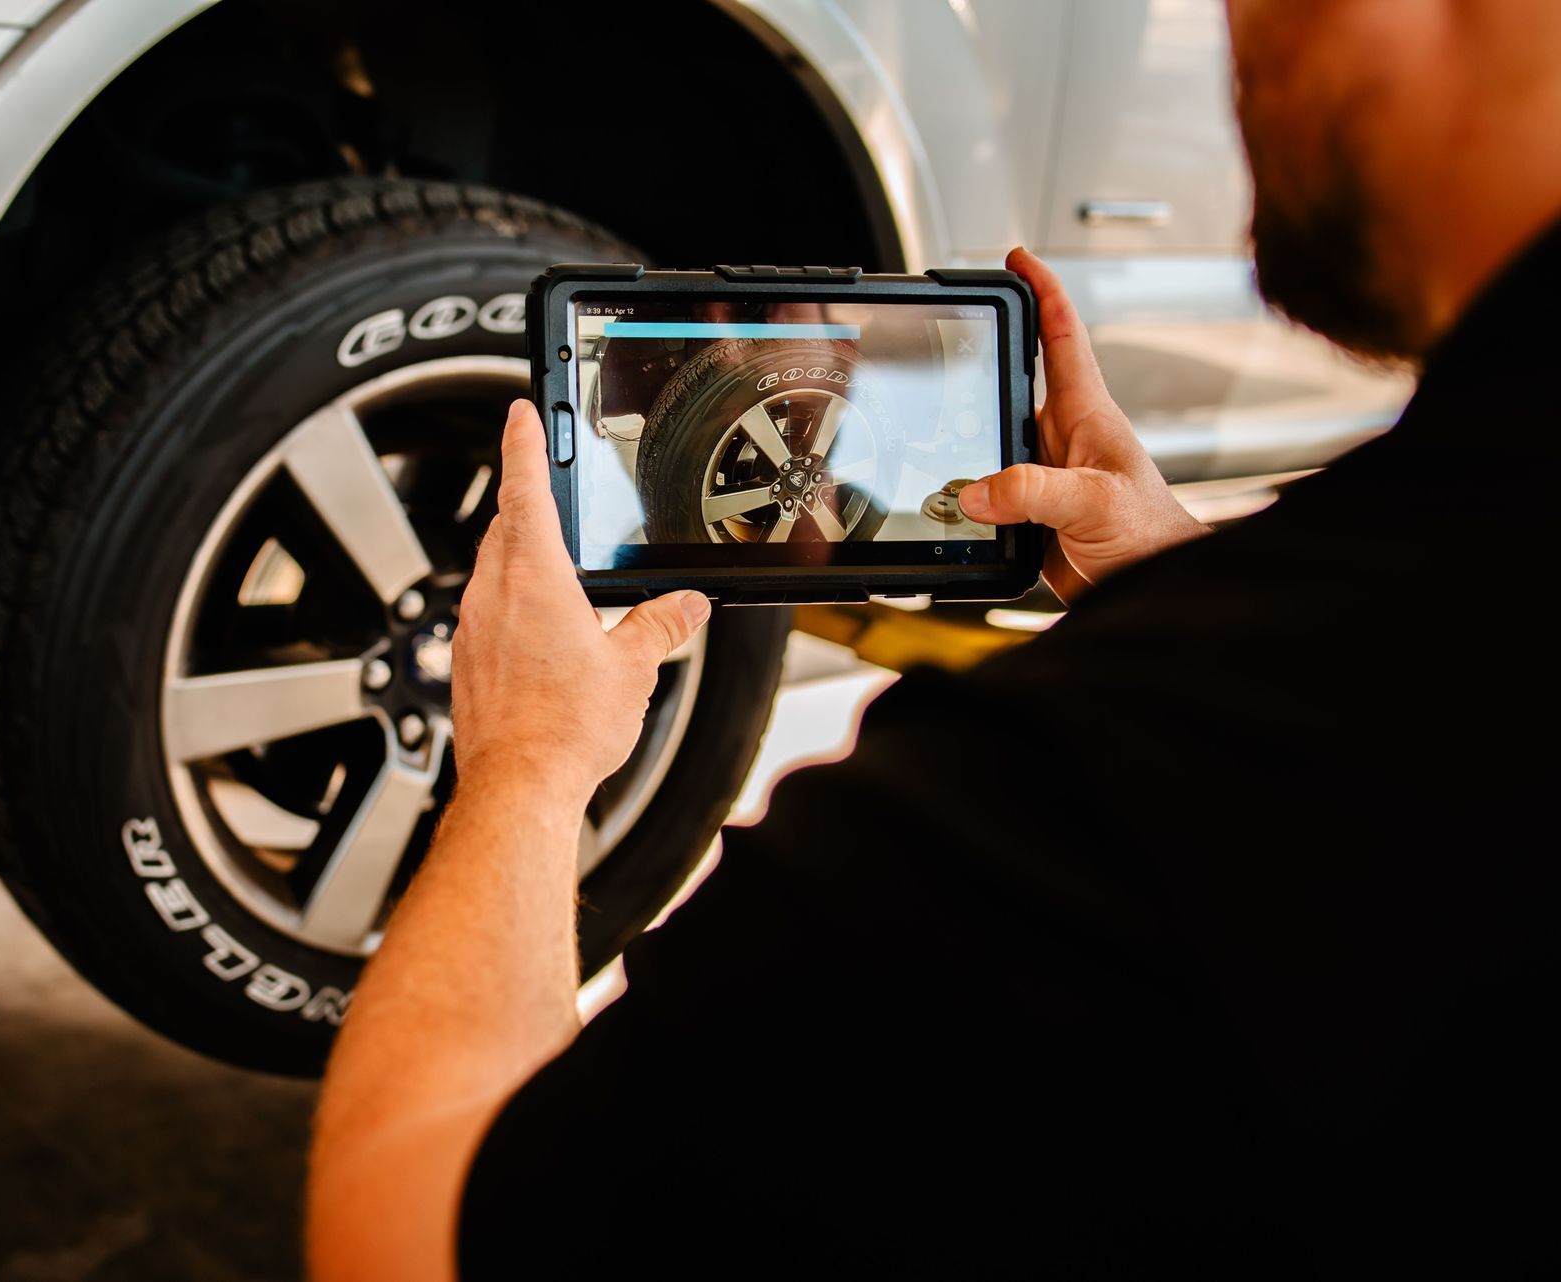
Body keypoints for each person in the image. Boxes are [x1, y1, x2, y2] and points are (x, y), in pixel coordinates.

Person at [307, 0, 1561, 1274]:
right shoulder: (1386, 690)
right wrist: (1190, 595)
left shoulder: (1082, 812)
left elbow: (405, 1233)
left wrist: (523, 761)